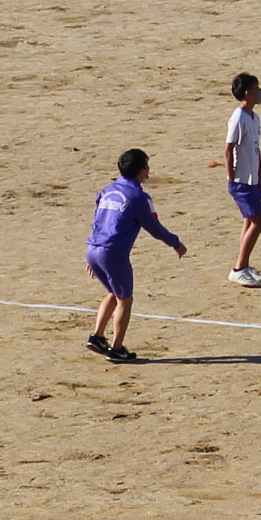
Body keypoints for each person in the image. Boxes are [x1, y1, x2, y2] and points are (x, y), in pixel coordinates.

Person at [84, 146, 184, 364]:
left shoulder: (108, 190)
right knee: (125, 300)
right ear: (141, 171)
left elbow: (97, 219)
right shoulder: (139, 197)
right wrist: (175, 243)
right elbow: (154, 227)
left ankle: (98, 336)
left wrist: (94, 255)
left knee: (113, 292)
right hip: (113, 253)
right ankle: (117, 349)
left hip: (93, 249)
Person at [217, 71, 261, 285]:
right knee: (258, 222)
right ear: (248, 92)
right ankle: (238, 267)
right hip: (242, 181)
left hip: (252, 179)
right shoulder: (238, 118)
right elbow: (229, 149)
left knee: (249, 221)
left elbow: (255, 149)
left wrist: (260, 176)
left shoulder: (253, 118)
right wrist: (232, 177)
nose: (260, 92)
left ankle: (244, 265)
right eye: (256, 88)